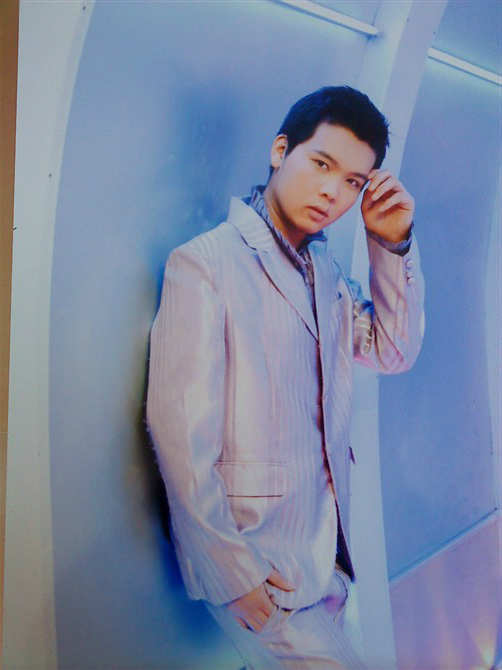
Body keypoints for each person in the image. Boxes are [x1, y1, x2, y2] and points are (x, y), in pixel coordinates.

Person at [147, 86, 424, 669]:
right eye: (321, 163)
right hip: (262, 565)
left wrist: (391, 243)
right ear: (280, 151)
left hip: (328, 561)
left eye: (352, 181)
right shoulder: (205, 263)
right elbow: (179, 433)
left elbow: (393, 351)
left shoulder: (325, 273)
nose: (332, 190)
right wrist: (232, 574)